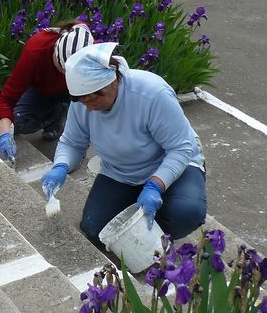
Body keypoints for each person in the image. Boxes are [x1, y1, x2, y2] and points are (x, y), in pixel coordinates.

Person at [41, 42, 207, 243]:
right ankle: (139, 202)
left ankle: (159, 234)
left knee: (185, 213)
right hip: (121, 171)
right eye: (83, 102)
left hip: (172, 164)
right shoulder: (84, 103)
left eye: (92, 101)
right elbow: (72, 142)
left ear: (111, 84)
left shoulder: (152, 94)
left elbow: (180, 149)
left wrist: (155, 185)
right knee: (94, 228)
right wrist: (60, 165)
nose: (90, 109)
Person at [0, 22, 94, 161]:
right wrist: (5, 134)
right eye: (63, 70)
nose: (67, 77)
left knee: (87, 113)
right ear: (56, 53)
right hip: (43, 90)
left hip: (76, 95)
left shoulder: (91, 51)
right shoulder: (36, 50)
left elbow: (98, 105)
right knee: (15, 121)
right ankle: (56, 114)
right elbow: (6, 99)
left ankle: (66, 119)